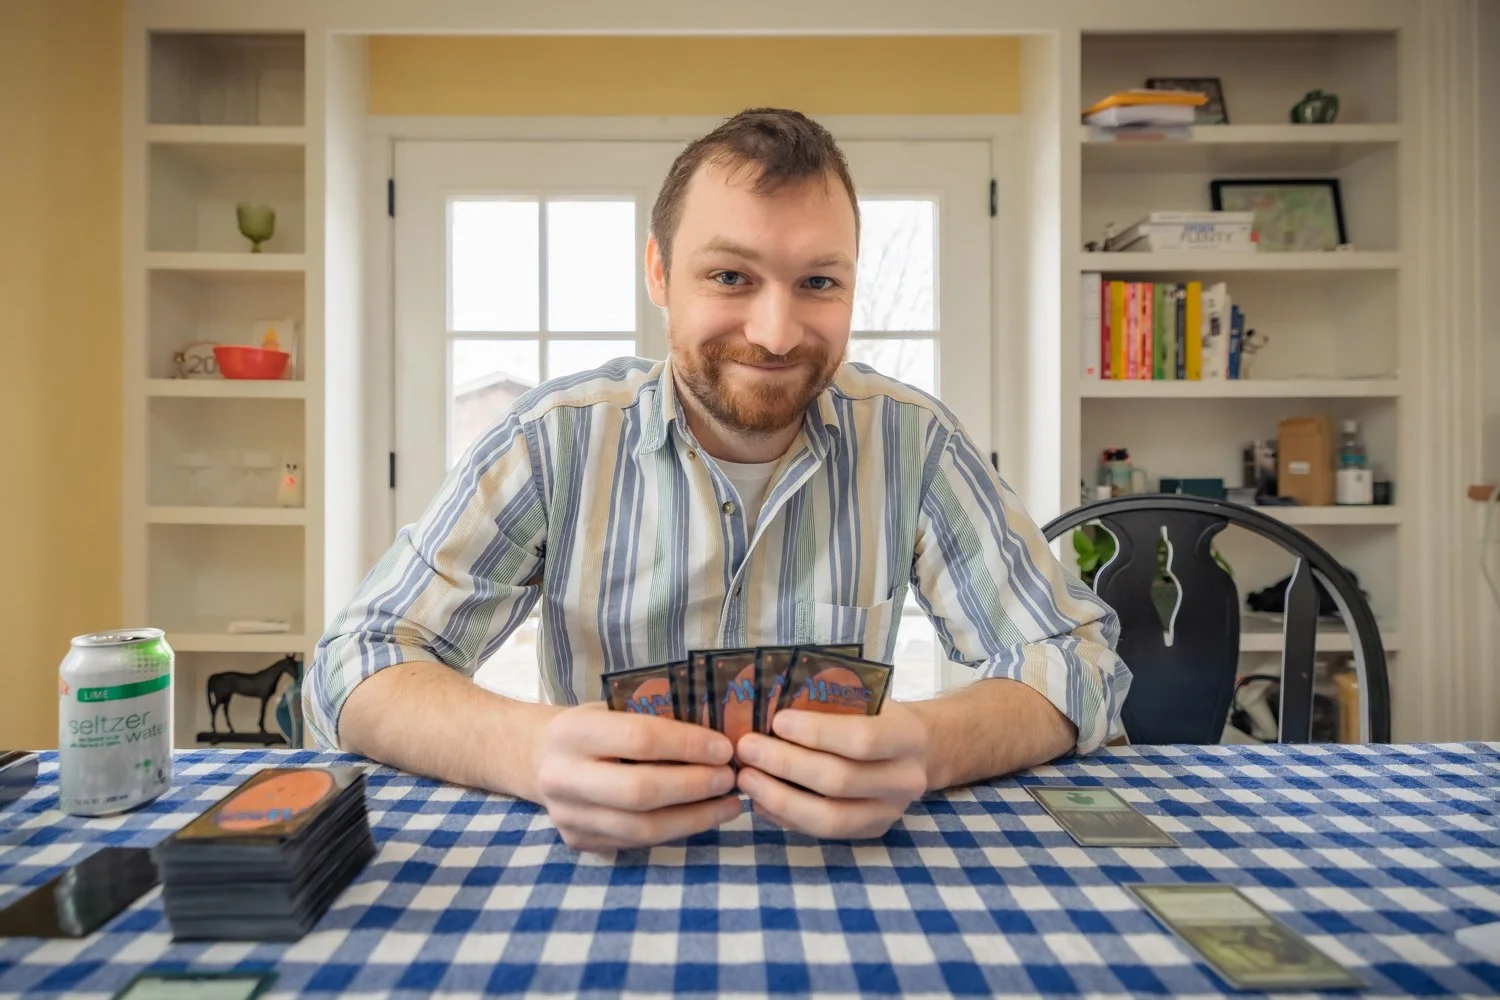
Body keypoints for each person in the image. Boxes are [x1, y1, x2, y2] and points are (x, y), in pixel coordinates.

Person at [307, 108, 1130, 851]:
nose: (775, 334)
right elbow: (357, 663)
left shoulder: (914, 440)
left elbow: (1075, 660)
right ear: (660, 275)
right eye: (730, 276)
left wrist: (927, 744)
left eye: (819, 282)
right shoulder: (552, 441)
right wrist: (528, 750)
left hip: (844, 883)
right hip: (604, 877)